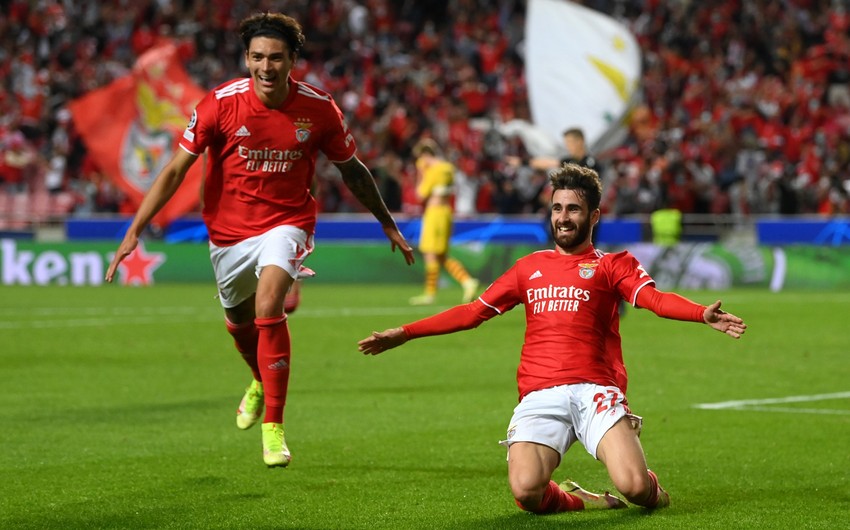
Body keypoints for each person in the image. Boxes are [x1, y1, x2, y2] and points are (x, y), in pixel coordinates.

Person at [106, 12, 415, 468]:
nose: (265, 67)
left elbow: (352, 169)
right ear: (246, 58)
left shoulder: (320, 109)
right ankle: (258, 378)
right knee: (238, 322)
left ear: (292, 60)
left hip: (287, 222)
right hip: (228, 232)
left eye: (275, 58)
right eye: (257, 57)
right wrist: (134, 229)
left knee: (269, 305)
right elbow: (174, 171)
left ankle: (274, 427)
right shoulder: (219, 104)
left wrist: (386, 222)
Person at [358, 163, 746, 513]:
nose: (563, 217)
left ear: (593, 216)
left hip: (596, 391)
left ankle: (653, 489)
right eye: (557, 208)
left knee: (635, 488)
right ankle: (581, 501)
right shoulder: (529, 268)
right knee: (526, 490)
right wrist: (405, 333)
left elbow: (655, 300)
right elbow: (472, 312)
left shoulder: (613, 265)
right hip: (541, 392)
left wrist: (700, 313)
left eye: (573, 209)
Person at [408, 138, 480, 305]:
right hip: (446, 213)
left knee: (430, 253)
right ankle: (467, 281)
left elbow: (420, 194)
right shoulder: (448, 168)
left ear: (425, 155)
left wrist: (421, 173)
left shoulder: (433, 170)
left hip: (434, 213)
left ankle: (430, 294)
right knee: (440, 255)